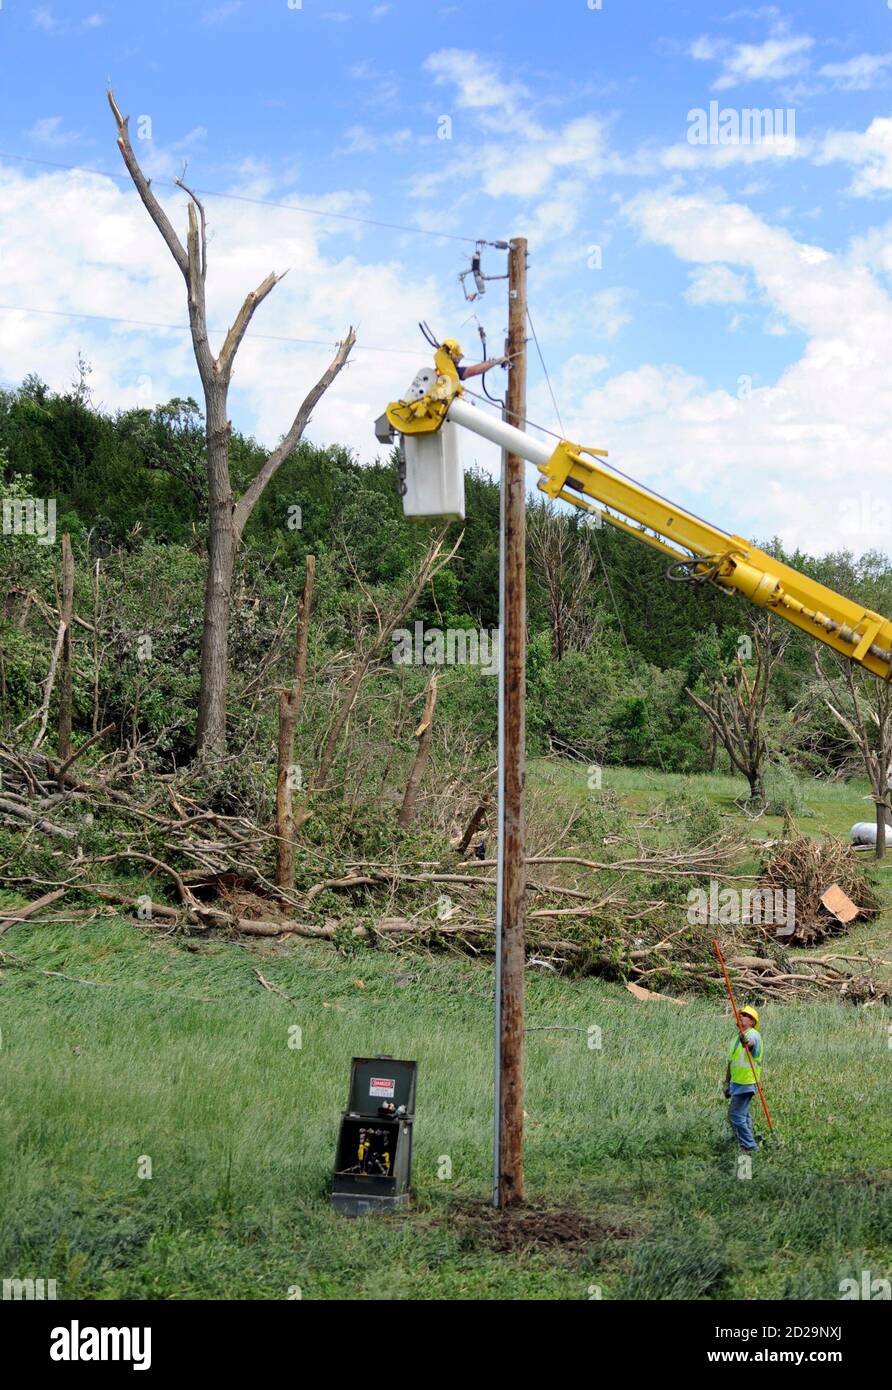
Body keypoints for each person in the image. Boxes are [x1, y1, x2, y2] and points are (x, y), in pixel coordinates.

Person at [724, 1006, 763, 1153]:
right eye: (740, 1015)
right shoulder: (735, 1039)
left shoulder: (754, 1035)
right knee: (744, 1115)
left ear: (752, 1022)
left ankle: (749, 1146)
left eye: (745, 1016)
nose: (741, 1017)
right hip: (736, 1083)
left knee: (735, 1115)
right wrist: (727, 1083)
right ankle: (748, 1142)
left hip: (747, 1082)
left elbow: (750, 1043)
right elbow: (730, 1062)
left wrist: (745, 1041)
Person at [439, 338, 508, 381]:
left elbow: (474, 369)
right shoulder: (452, 372)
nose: (458, 361)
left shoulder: (440, 371)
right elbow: (475, 370)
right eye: (458, 358)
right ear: (452, 356)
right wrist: (495, 361)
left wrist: (486, 364)